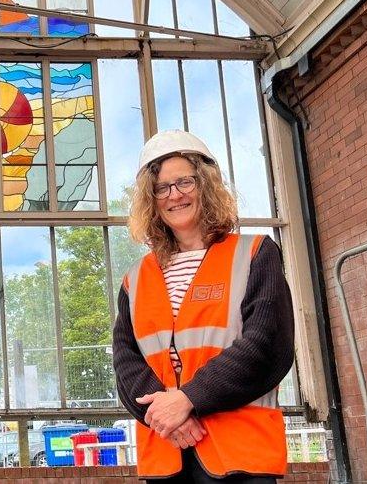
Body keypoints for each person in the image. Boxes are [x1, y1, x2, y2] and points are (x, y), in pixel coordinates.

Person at [112, 130, 294, 482]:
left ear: (206, 185)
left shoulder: (255, 253)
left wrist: (188, 399)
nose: (174, 195)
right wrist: (168, 417)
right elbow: (125, 361)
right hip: (168, 454)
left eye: (184, 182)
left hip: (241, 453)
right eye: (161, 188)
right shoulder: (135, 278)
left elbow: (265, 344)